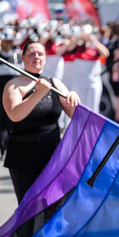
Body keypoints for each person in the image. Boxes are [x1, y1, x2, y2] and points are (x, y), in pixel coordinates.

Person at [2, 41, 80, 204]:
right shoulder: (13, 85)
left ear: (45, 59)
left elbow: (76, 115)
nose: (36, 57)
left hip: (52, 153)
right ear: (23, 58)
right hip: (23, 156)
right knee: (29, 209)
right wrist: (38, 94)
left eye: (40, 54)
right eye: (31, 54)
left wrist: (72, 96)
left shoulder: (55, 83)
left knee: (55, 205)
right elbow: (15, 115)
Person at [0, 27, 23, 159]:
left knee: (12, 120)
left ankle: (8, 147)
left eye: (10, 40)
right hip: (0, 91)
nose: (8, 43)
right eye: (5, 40)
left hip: (15, 92)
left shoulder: (19, 54)